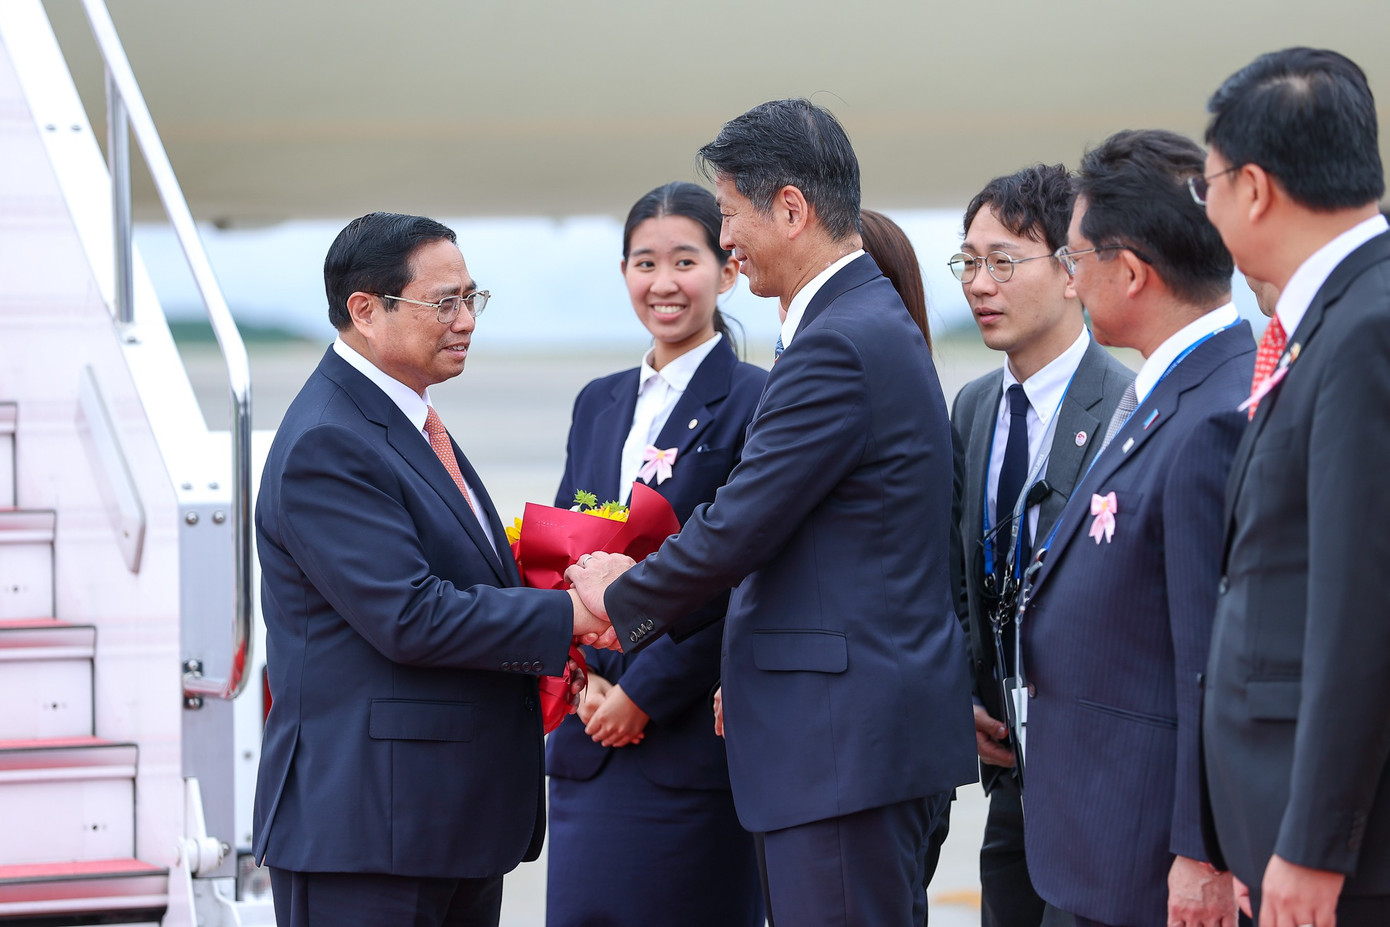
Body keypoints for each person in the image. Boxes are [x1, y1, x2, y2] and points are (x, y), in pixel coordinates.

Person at [567, 98, 978, 927]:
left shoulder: (838, 340)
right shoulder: (856, 322)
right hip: (837, 741)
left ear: (790, 208)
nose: (726, 242)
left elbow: (741, 522)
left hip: (839, 746)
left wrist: (620, 595)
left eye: (728, 217)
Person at [252, 212, 607, 927]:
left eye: (473, 298)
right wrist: (576, 613)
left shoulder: (402, 420)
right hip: (371, 831)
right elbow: (409, 615)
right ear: (365, 311)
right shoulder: (331, 438)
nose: (466, 320)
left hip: (439, 822)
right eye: (444, 302)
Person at [1019, 130, 1254, 927]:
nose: (1069, 280)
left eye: (1075, 258)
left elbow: (1211, 660)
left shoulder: (1212, 414)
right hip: (1099, 839)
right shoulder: (1172, 391)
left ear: (1130, 271)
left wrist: (1203, 848)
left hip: (1149, 857)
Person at [1199, 47, 1390, 927]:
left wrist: (1313, 842)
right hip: (1281, 827)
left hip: (1340, 856)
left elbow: (1364, 608)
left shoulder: (1366, 330)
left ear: (1254, 187)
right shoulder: (1328, 319)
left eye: (1208, 182)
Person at [544, 181, 765, 927]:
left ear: (728, 270)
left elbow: (744, 579)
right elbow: (562, 554)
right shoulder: (598, 401)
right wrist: (582, 675)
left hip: (684, 743)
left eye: (684, 260)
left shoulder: (756, 401)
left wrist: (644, 692)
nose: (662, 283)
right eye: (644, 262)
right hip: (590, 732)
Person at [949, 163, 1132, 927]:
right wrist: (962, 691)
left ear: (1069, 271)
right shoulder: (976, 406)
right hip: (1009, 784)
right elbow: (961, 575)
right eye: (968, 261)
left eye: (1003, 261)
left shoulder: (1126, 403)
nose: (979, 284)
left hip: (1099, 783)